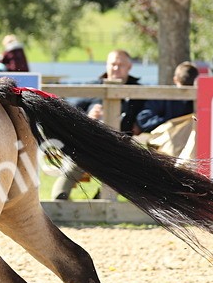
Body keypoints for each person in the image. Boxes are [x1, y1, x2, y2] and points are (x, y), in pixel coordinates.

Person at [51, 49, 146, 200]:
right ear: (106, 65)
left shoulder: (139, 92)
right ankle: (58, 204)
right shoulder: (93, 88)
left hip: (121, 149)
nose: (116, 68)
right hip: (87, 146)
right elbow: (68, 110)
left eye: (120, 65)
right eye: (113, 64)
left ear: (129, 67)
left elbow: (151, 113)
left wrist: (139, 123)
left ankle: (101, 201)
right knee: (72, 166)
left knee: (124, 169)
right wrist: (87, 117)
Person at [137, 61, 197, 132]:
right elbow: (144, 118)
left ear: (175, 79)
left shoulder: (163, 96)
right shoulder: (165, 97)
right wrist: (171, 123)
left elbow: (144, 119)